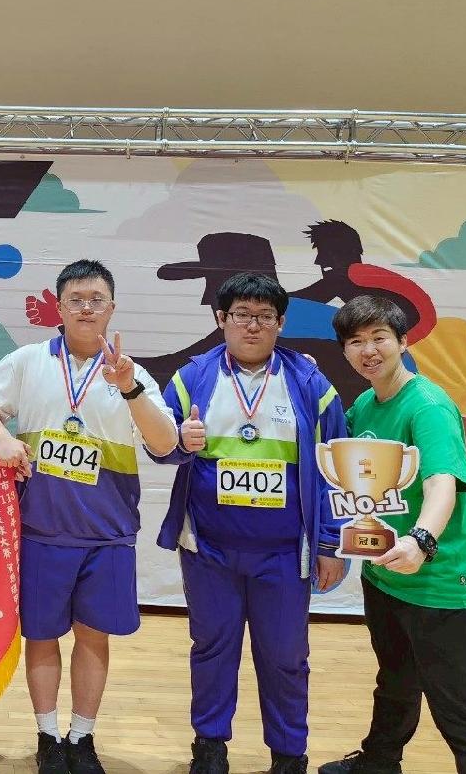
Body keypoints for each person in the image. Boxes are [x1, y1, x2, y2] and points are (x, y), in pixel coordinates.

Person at [0, 259, 178, 774]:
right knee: (40, 636)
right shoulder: (29, 361)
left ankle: (81, 738)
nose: (86, 308)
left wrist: (129, 388)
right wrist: (2, 436)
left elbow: (165, 442)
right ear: (58, 307)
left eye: (96, 300)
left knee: (93, 635)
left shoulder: (131, 372)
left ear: (112, 308)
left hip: (107, 534)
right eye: (76, 300)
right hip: (41, 530)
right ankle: (47, 736)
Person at [150, 272, 348, 774]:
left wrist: (330, 544)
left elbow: (337, 470)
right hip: (209, 550)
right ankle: (209, 747)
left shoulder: (311, 384)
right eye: (241, 314)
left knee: (285, 657)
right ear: (222, 319)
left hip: (285, 554)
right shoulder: (191, 378)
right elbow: (159, 448)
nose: (252, 325)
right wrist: (180, 442)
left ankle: (289, 755)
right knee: (211, 650)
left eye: (264, 316)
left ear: (281, 323)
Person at [318, 296, 466, 774]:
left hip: (441, 585)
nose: (369, 350)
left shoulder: (427, 405)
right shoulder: (366, 404)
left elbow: (442, 482)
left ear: (403, 341)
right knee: (396, 682)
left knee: (463, 713)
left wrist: (422, 540)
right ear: (345, 351)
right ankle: (379, 763)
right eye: (356, 341)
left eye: (379, 338)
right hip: (386, 578)